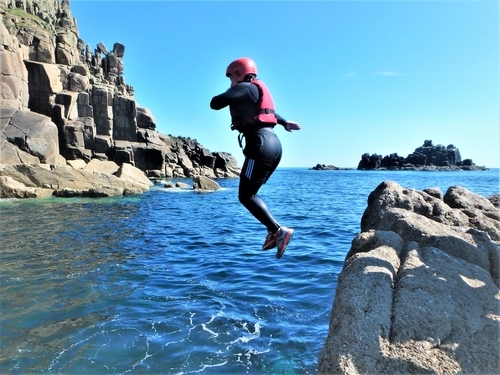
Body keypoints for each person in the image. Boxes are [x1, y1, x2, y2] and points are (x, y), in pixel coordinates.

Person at [210, 57, 301, 259]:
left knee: (246, 195)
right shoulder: (253, 91)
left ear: (239, 74)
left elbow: (214, 103)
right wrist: (285, 123)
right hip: (272, 144)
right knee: (250, 193)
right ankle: (273, 231)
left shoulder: (245, 87)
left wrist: (230, 92)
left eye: (231, 77)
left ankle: (278, 230)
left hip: (259, 145)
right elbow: (271, 113)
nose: (230, 82)